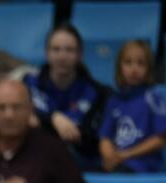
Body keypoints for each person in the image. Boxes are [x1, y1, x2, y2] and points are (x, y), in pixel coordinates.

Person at [24, 23, 109, 169]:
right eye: (55, 49)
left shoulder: (96, 92)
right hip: (35, 159)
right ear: (46, 53)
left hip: (78, 161)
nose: (62, 57)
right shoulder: (29, 83)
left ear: (80, 55)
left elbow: (85, 137)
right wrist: (52, 117)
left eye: (69, 50)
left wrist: (44, 119)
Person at [99, 39, 166, 173]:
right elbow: (105, 138)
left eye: (141, 63)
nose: (134, 69)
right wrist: (109, 156)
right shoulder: (114, 100)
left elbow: (160, 140)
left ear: (149, 69)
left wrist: (126, 155)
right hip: (117, 163)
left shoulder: (154, 98)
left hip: (142, 166)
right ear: (119, 67)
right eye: (128, 62)